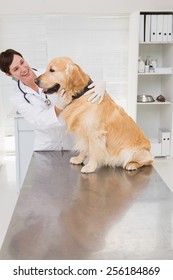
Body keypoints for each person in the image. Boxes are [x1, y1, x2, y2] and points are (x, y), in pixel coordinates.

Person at [0, 49, 106, 151]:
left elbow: (76, 82)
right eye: (16, 69)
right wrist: (59, 106)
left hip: (72, 141)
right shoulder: (17, 97)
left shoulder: (50, 72)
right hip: (46, 145)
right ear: (9, 74)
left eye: (22, 62)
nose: (23, 69)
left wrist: (98, 85)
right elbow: (39, 120)